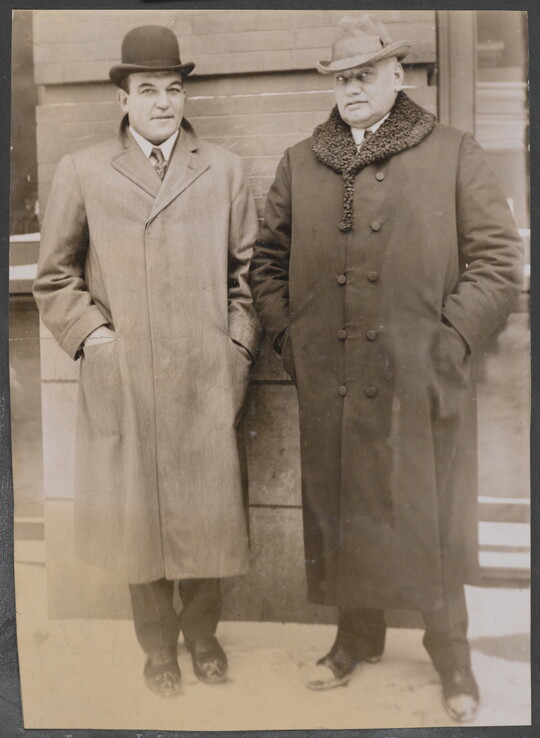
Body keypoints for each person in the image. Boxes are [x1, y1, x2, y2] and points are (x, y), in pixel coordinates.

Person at [249, 14, 523, 723]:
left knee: (431, 518)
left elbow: (499, 262)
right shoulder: (301, 162)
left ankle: (451, 654)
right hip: (333, 382)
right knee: (346, 512)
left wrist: (450, 342)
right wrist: (292, 342)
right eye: (342, 78)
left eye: (365, 75)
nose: (353, 89)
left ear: (398, 75)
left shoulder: (453, 153)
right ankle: (355, 639)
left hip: (420, 382)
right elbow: (266, 265)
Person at [33, 25, 260, 698]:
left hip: (204, 374)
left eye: (173, 88)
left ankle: (205, 636)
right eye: (149, 89)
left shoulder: (223, 169)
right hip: (127, 375)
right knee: (140, 519)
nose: (163, 102)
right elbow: (54, 277)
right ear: (123, 99)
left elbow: (247, 276)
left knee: (207, 509)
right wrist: (95, 340)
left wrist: (235, 347)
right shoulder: (83, 169)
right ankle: (158, 647)